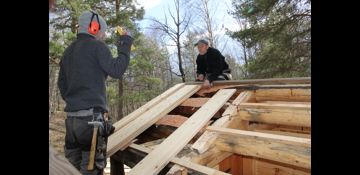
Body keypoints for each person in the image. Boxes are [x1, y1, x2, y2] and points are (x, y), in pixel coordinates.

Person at [57, 10, 134, 175]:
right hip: (91, 122)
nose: (104, 34)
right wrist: (125, 45)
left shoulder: (68, 51)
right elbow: (116, 70)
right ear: (93, 27)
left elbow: (62, 83)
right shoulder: (97, 46)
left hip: (72, 121)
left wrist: (75, 103)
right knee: (91, 169)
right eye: (103, 30)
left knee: (71, 168)